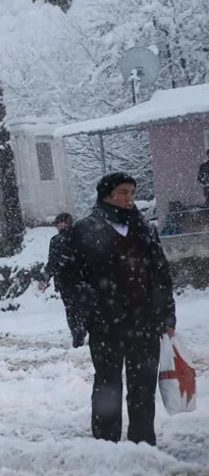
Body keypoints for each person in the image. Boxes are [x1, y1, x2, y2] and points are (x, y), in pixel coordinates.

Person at [69, 172, 176, 446]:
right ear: (107, 195)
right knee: (108, 386)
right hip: (107, 324)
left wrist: (167, 314)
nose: (130, 198)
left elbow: (161, 274)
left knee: (143, 387)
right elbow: (73, 279)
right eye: (123, 192)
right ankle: (106, 445)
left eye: (132, 192)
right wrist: (86, 315)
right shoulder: (86, 229)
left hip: (145, 322)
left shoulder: (143, 228)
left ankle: (142, 442)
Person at [37, 212, 85, 348]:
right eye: (58, 223)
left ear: (69, 223)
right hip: (64, 281)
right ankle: (77, 334)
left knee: (81, 308)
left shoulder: (79, 237)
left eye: (62, 222)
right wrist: (45, 278)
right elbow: (52, 262)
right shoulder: (55, 240)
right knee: (71, 310)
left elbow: (86, 258)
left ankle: (82, 331)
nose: (60, 225)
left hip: (79, 280)